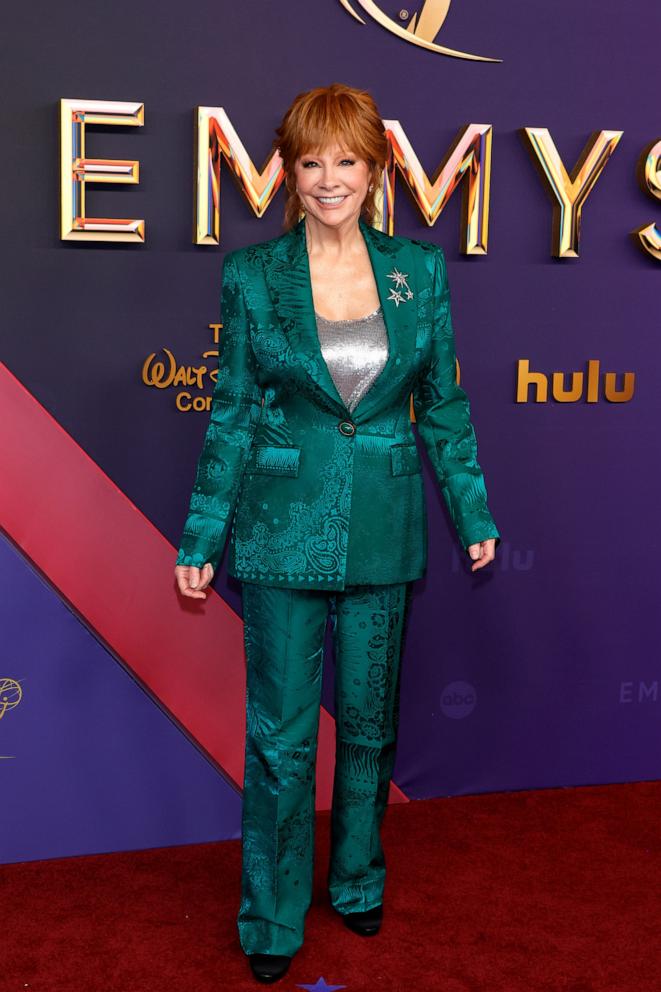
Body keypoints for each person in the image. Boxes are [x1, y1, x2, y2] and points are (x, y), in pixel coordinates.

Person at [174, 82, 500, 984]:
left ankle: (356, 883)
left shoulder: (419, 270)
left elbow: (443, 404)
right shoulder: (251, 276)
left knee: (366, 728)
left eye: (346, 161)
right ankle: (271, 918)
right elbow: (233, 411)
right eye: (311, 161)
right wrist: (201, 534)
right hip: (281, 530)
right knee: (280, 738)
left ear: (375, 168)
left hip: (387, 530)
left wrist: (471, 510)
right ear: (288, 170)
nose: (328, 180)